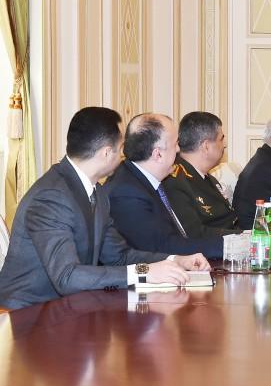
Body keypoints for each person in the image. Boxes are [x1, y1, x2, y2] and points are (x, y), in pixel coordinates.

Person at [0, 107, 208, 310]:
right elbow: (66, 276)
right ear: (107, 153)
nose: (124, 154)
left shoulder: (97, 192)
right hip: (26, 314)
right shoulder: (51, 197)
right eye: (121, 147)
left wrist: (175, 260)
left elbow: (119, 257)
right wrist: (143, 272)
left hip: (69, 307)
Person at [104, 114, 226, 260]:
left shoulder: (144, 179)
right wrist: (230, 246)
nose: (179, 150)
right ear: (158, 154)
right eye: (175, 144)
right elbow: (164, 247)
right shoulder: (127, 193)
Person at [161, 111, 242, 238]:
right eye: (221, 139)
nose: (225, 145)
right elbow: (195, 234)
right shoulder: (174, 181)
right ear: (206, 146)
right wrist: (243, 236)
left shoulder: (206, 177)